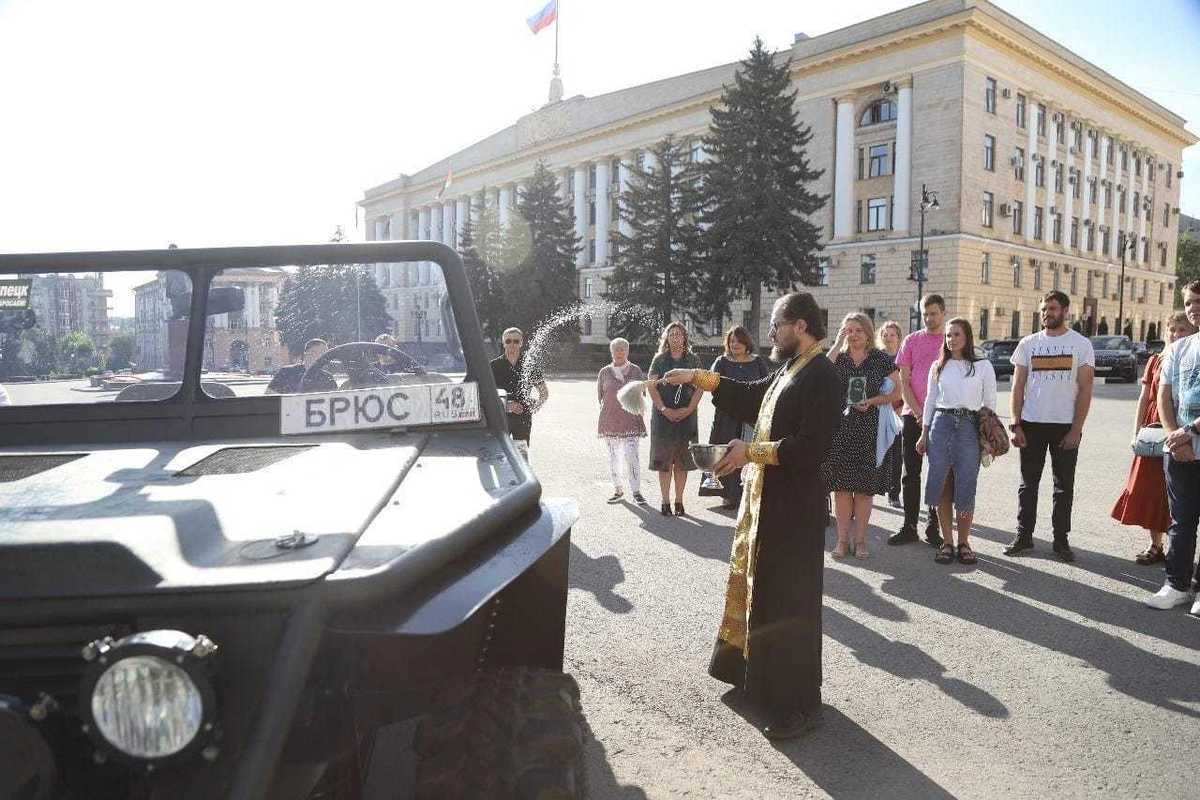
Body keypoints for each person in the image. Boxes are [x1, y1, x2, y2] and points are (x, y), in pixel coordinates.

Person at [661, 292, 844, 740]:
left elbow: (811, 448)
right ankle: (761, 683)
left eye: (777, 323)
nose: (771, 332)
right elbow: (749, 398)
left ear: (800, 325)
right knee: (765, 592)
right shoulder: (788, 369)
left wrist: (751, 453)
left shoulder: (824, 375)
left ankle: (796, 705)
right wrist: (700, 377)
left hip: (797, 509)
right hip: (769, 502)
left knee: (791, 603)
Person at [1007, 290, 1095, 562]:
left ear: (1065, 311)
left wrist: (1076, 429)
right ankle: (1024, 536)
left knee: (1063, 486)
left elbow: (1085, 389)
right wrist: (1016, 423)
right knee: (1028, 484)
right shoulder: (1028, 344)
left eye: (1053, 308)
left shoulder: (1080, 344)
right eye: (1044, 309)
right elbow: (1017, 386)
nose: (1047, 313)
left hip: (1064, 426)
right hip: (1031, 424)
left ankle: (1060, 540)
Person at [1112, 311, 1197, 564]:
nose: (1175, 334)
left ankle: (1179, 550)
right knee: (1151, 489)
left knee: (1180, 493)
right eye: (1171, 330)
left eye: (1181, 330)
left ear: (1191, 333)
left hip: (1182, 426)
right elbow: (1144, 397)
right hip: (1154, 429)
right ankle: (1155, 545)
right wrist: (1136, 431)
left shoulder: (1193, 359)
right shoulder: (1156, 360)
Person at [916, 318, 997, 565]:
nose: (951, 339)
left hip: (969, 426)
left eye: (957, 334)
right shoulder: (938, 366)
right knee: (941, 484)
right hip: (940, 425)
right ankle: (947, 542)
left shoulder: (982, 366)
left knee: (966, 485)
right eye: (948, 335)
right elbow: (930, 401)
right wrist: (923, 433)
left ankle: (964, 542)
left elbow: (990, 405)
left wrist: (987, 439)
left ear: (967, 337)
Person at [823, 312, 901, 558]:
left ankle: (861, 541)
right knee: (843, 489)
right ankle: (842, 541)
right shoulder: (840, 358)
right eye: (849, 330)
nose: (853, 335)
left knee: (865, 491)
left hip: (870, 428)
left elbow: (897, 393)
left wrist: (873, 401)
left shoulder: (880, 359)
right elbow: (821, 373)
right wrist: (836, 344)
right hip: (841, 429)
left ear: (868, 333)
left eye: (858, 330)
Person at [1146, 280, 1200, 613]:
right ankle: (1177, 585)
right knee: (1181, 521)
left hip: (1189, 436)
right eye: (1190, 302)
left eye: (1199, 301)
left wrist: (1190, 430)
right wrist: (1172, 435)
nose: (1194, 308)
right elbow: (1163, 396)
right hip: (1179, 448)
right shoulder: (1181, 347)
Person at [891, 294, 947, 548]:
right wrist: (917, 412)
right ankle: (909, 525)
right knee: (910, 473)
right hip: (913, 415)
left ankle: (933, 526)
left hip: (942, 416)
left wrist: (932, 414)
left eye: (933, 313)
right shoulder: (912, 341)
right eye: (925, 313)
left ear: (943, 313)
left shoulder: (951, 341)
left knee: (938, 473)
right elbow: (904, 380)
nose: (929, 318)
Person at [707, 325, 770, 509]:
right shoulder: (721, 362)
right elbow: (713, 386)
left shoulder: (757, 362)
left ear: (746, 343)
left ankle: (749, 493)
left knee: (750, 454)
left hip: (751, 417)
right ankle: (728, 495)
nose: (735, 344)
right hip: (727, 417)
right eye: (732, 341)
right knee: (727, 453)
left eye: (739, 341)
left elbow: (766, 386)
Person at [647, 322, 702, 516]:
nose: (675, 337)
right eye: (671, 334)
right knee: (664, 462)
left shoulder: (693, 360)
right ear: (666, 338)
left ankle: (679, 501)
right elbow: (651, 385)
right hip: (663, 417)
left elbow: (700, 387)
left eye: (679, 334)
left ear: (685, 338)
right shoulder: (659, 360)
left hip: (687, 417)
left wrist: (689, 409)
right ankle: (665, 501)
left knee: (682, 461)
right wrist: (664, 409)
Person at [597, 338, 647, 505]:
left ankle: (636, 492)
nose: (619, 352)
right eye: (616, 349)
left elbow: (642, 397)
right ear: (611, 352)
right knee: (613, 457)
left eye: (622, 349)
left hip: (631, 421)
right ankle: (618, 489)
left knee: (632, 456)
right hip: (610, 420)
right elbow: (600, 397)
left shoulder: (636, 371)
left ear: (627, 352)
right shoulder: (604, 372)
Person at [490, 327, 548, 454]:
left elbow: (544, 393)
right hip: (500, 418)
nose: (512, 344)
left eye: (516, 341)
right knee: (498, 454)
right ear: (503, 343)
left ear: (521, 343)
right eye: (508, 341)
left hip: (523, 419)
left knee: (522, 455)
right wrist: (508, 405)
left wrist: (536, 404)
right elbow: (487, 395)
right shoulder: (493, 366)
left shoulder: (529, 365)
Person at [877, 320, 905, 508]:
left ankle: (894, 493)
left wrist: (901, 409)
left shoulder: (904, 358)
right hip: (879, 409)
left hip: (900, 411)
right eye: (885, 335)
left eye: (892, 335)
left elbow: (907, 385)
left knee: (896, 453)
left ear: (898, 337)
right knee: (878, 450)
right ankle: (875, 486)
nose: (888, 338)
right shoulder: (876, 357)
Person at [265, 338, 336, 394]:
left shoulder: (328, 378)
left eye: (325, 353)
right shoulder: (286, 372)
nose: (324, 357)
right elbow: (269, 397)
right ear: (307, 353)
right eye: (321, 353)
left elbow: (335, 400)